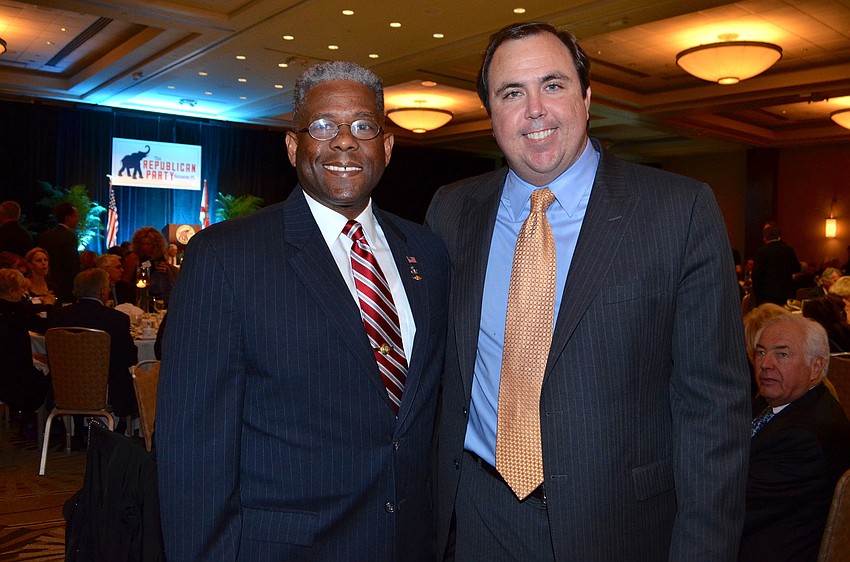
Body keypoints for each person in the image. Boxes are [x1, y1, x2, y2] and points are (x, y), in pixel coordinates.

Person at [426, 22, 750, 561]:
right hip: (478, 514)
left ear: (586, 98)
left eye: (552, 85)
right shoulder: (451, 211)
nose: (535, 109)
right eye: (512, 92)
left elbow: (713, 411)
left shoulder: (679, 210)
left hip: (621, 523)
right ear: (491, 115)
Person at [157, 61, 449, 560]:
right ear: (294, 147)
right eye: (322, 126)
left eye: (363, 126)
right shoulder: (226, 256)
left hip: (409, 542)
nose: (344, 142)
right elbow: (192, 450)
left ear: (387, 146)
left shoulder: (427, 250)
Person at [740, 314, 850, 561]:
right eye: (760, 353)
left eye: (782, 354)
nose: (765, 364)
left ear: (816, 367)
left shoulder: (805, 436)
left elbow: (732, 505)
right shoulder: (791, 405)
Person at [48, 268, 138, 421]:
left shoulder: (58, 316)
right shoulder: (116, 319)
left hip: (65, 387)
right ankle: (121, 431)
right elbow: (130, 358)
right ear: (103, 291)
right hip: (106, 390)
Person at [0, 268, 49, 438]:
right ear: (12, 292)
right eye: (22, 289)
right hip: (17, 378)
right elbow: (43, 326)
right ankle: (44, 424)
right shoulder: (18, 312)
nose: (24, 293)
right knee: (56, 375)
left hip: (5, 370)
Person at [36, 202, 79, 303]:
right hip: (66, 285)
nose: (77, 219)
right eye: (75, 216)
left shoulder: (44, 236)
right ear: (68, 217)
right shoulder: (70, 237)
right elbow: (72, 264)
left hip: (46, 282)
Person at [751, 222, 800, 306]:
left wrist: (757, 294)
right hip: (786, 294)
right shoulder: (788, 250)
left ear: (765, 237)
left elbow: (756, 275)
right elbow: (797, 268)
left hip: (767, 295)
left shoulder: (762, 251)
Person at [129, 226, 178, 305]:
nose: (145, 247)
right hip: (140, 290)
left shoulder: (161, 256)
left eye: (148, 244)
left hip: (158, 290)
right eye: (142, 244)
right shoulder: (135, 257)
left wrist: (165, 270)